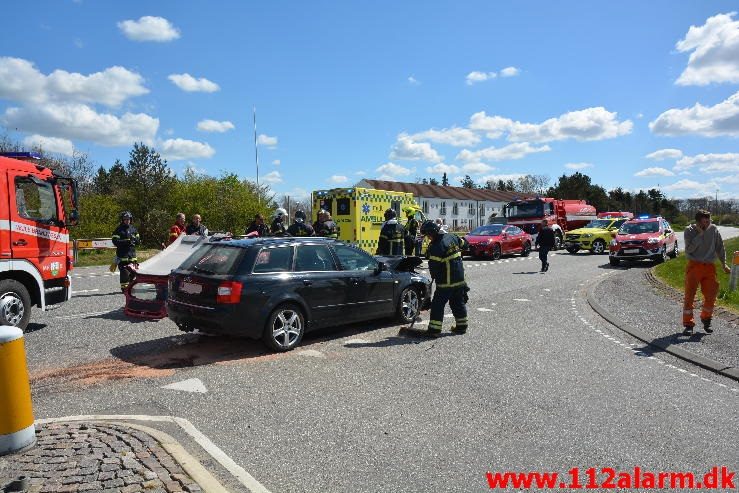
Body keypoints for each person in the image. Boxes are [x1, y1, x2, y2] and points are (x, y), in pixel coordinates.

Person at [682, 210, 730, 335]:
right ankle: (688, 324)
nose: (707, 224)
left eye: (709, 221)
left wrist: (724, 264)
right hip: (694, 266)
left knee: (711, 294)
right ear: (698, 222)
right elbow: (689, 249)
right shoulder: (689, 231)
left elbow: (720, 247)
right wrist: (700, 234)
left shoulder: (713, 230)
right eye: (704, 222)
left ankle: (706, 318)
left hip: (709, 267)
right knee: (689, 295)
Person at [421, 220, 469, 337]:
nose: (428, 238)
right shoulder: (452, 236)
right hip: (459, 280)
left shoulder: (436, 246)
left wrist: (434, 277)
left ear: (432, 233)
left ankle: (434, 330)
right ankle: (462, 327)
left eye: (428, 235)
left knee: (437, 305)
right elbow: (465, 244)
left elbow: (434, 267)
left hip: (446, 282)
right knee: (457, 302)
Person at [111, 211, 140, 292]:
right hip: (122, 256)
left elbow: (138, 240)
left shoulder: (133, 229)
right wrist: (126, 241)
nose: (127, 220)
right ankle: (124, 288)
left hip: (132, 256)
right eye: (125, 219)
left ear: (131, 219)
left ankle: (130, 286)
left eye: (128, 219)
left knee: (134, 273)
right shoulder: (119, 229)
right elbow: (115, 241)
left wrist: (135, 240)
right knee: (124, 273)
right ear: (122, 220)